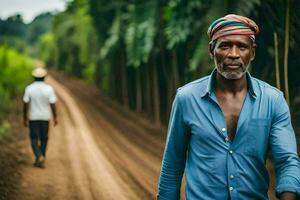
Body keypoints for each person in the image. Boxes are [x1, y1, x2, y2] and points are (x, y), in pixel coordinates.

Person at [157, 14, 300, 200]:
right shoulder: (187, 98)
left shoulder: (273, 100)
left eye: (242, 46)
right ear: (211, 50)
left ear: (253, 52)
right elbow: (173, 163)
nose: (234, 54)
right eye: (225, 45)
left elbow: (287, 161)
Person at [23, 67, 57, 168]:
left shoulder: (29, 88)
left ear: (34, 77)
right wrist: (55, 117)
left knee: (33, 138)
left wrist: (24, 117)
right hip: (45, 117)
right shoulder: (49, 89)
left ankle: (39, 156)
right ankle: (41, 156)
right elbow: (52, 104)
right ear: (44, 77)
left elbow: (25, 104)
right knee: (44, 138)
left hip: (33, 117)